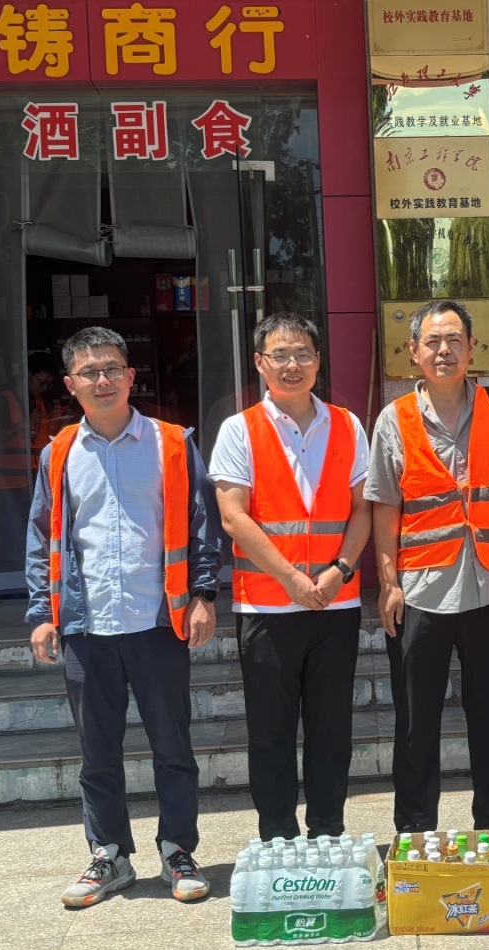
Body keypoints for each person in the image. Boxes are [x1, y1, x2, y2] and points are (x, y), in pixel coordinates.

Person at [25, 326, 223, 907]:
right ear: (71, 384)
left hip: (158, 621)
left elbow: (203, 523)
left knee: (173, 747)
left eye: (113, 368)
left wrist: (204, 594)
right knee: (97, 755)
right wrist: (42, 613)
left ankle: (178, 851)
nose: (103, 380)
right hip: (87, 627)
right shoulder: (58, 453)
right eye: (90, 372)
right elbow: (41, 538)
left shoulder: (171, 443)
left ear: (131, 376)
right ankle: (108, 855)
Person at [366, 299, 489, 833]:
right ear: (413, 351)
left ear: (471, 347)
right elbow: (385, 506)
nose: (444, 350)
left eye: (454, 340)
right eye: (433, 341)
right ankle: (415, 833)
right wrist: (388, 584)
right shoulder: (394, 419)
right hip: (421, 592)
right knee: (416, 724)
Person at [210, 312, 372, 841]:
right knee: (271, 733)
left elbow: (363, 508)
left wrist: (339, 570)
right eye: (280, 355)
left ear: (318, 361)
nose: (292, 364)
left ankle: (327, 831)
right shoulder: (239, 429)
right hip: (266, 606)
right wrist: (291, 580)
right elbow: (233, 516)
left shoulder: (347, 425)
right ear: (260, 363)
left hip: (335, 604)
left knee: (331, 730)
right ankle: (277, 837)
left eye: (302, 353)